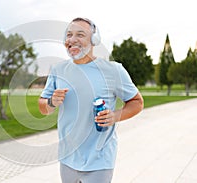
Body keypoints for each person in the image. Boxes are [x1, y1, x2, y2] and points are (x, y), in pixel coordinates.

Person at [38, 17, 144, 183]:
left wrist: (115, 116)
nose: (72, 40)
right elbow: (43, 108)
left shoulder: (113, 70)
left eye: (80, 35)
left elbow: (137, 102)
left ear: (94, 40)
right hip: (67, 158)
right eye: (69, 35)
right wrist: (51, 102)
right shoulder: (58, 70)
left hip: (99, 160)